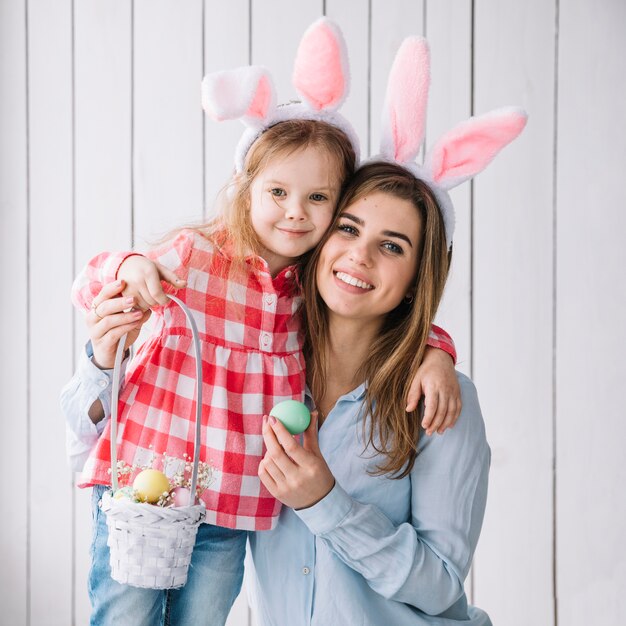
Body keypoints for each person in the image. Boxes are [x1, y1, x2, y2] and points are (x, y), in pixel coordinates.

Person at [61, 22, 460, 625]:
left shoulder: (308, 291)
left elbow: (393, 320)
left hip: (231, 503)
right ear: (247, 187)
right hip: (145, 488)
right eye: (278, 191)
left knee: (204, 616)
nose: (295, 213)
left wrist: (437, 352)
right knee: (126, 614)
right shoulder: (195, 257)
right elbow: (92, 282)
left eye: (319, 199)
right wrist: (130, 266)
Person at [247, 161, 492, 625]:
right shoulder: (261, 373)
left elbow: (441, 585)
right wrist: (104, 356)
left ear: (415, 279)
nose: (360, 255)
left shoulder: (440, 398)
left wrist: (326, 503)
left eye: (391, 246)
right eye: (348, 229)